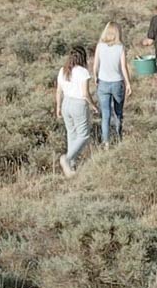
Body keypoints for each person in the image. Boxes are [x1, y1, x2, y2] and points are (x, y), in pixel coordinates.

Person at [56, 45, 98, 177]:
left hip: (66, 103)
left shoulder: (63, 70)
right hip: (78, 104)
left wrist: (58, 107)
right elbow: (85, 93)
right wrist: (93, 105)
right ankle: (67, 159)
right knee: (84, 135)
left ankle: (71, 165)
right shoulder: (83, 72)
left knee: (72, 134)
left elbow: (59, 91)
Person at [93, 22, 132, 148]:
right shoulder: (120, 47)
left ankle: (106, 142)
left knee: (105, 115)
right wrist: (128, 83)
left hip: (103, 83)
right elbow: (123, 67)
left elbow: (95, 65)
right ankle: (119, 138)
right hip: (117, 83)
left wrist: (95, 76)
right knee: (118, 113)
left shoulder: (100, 46)